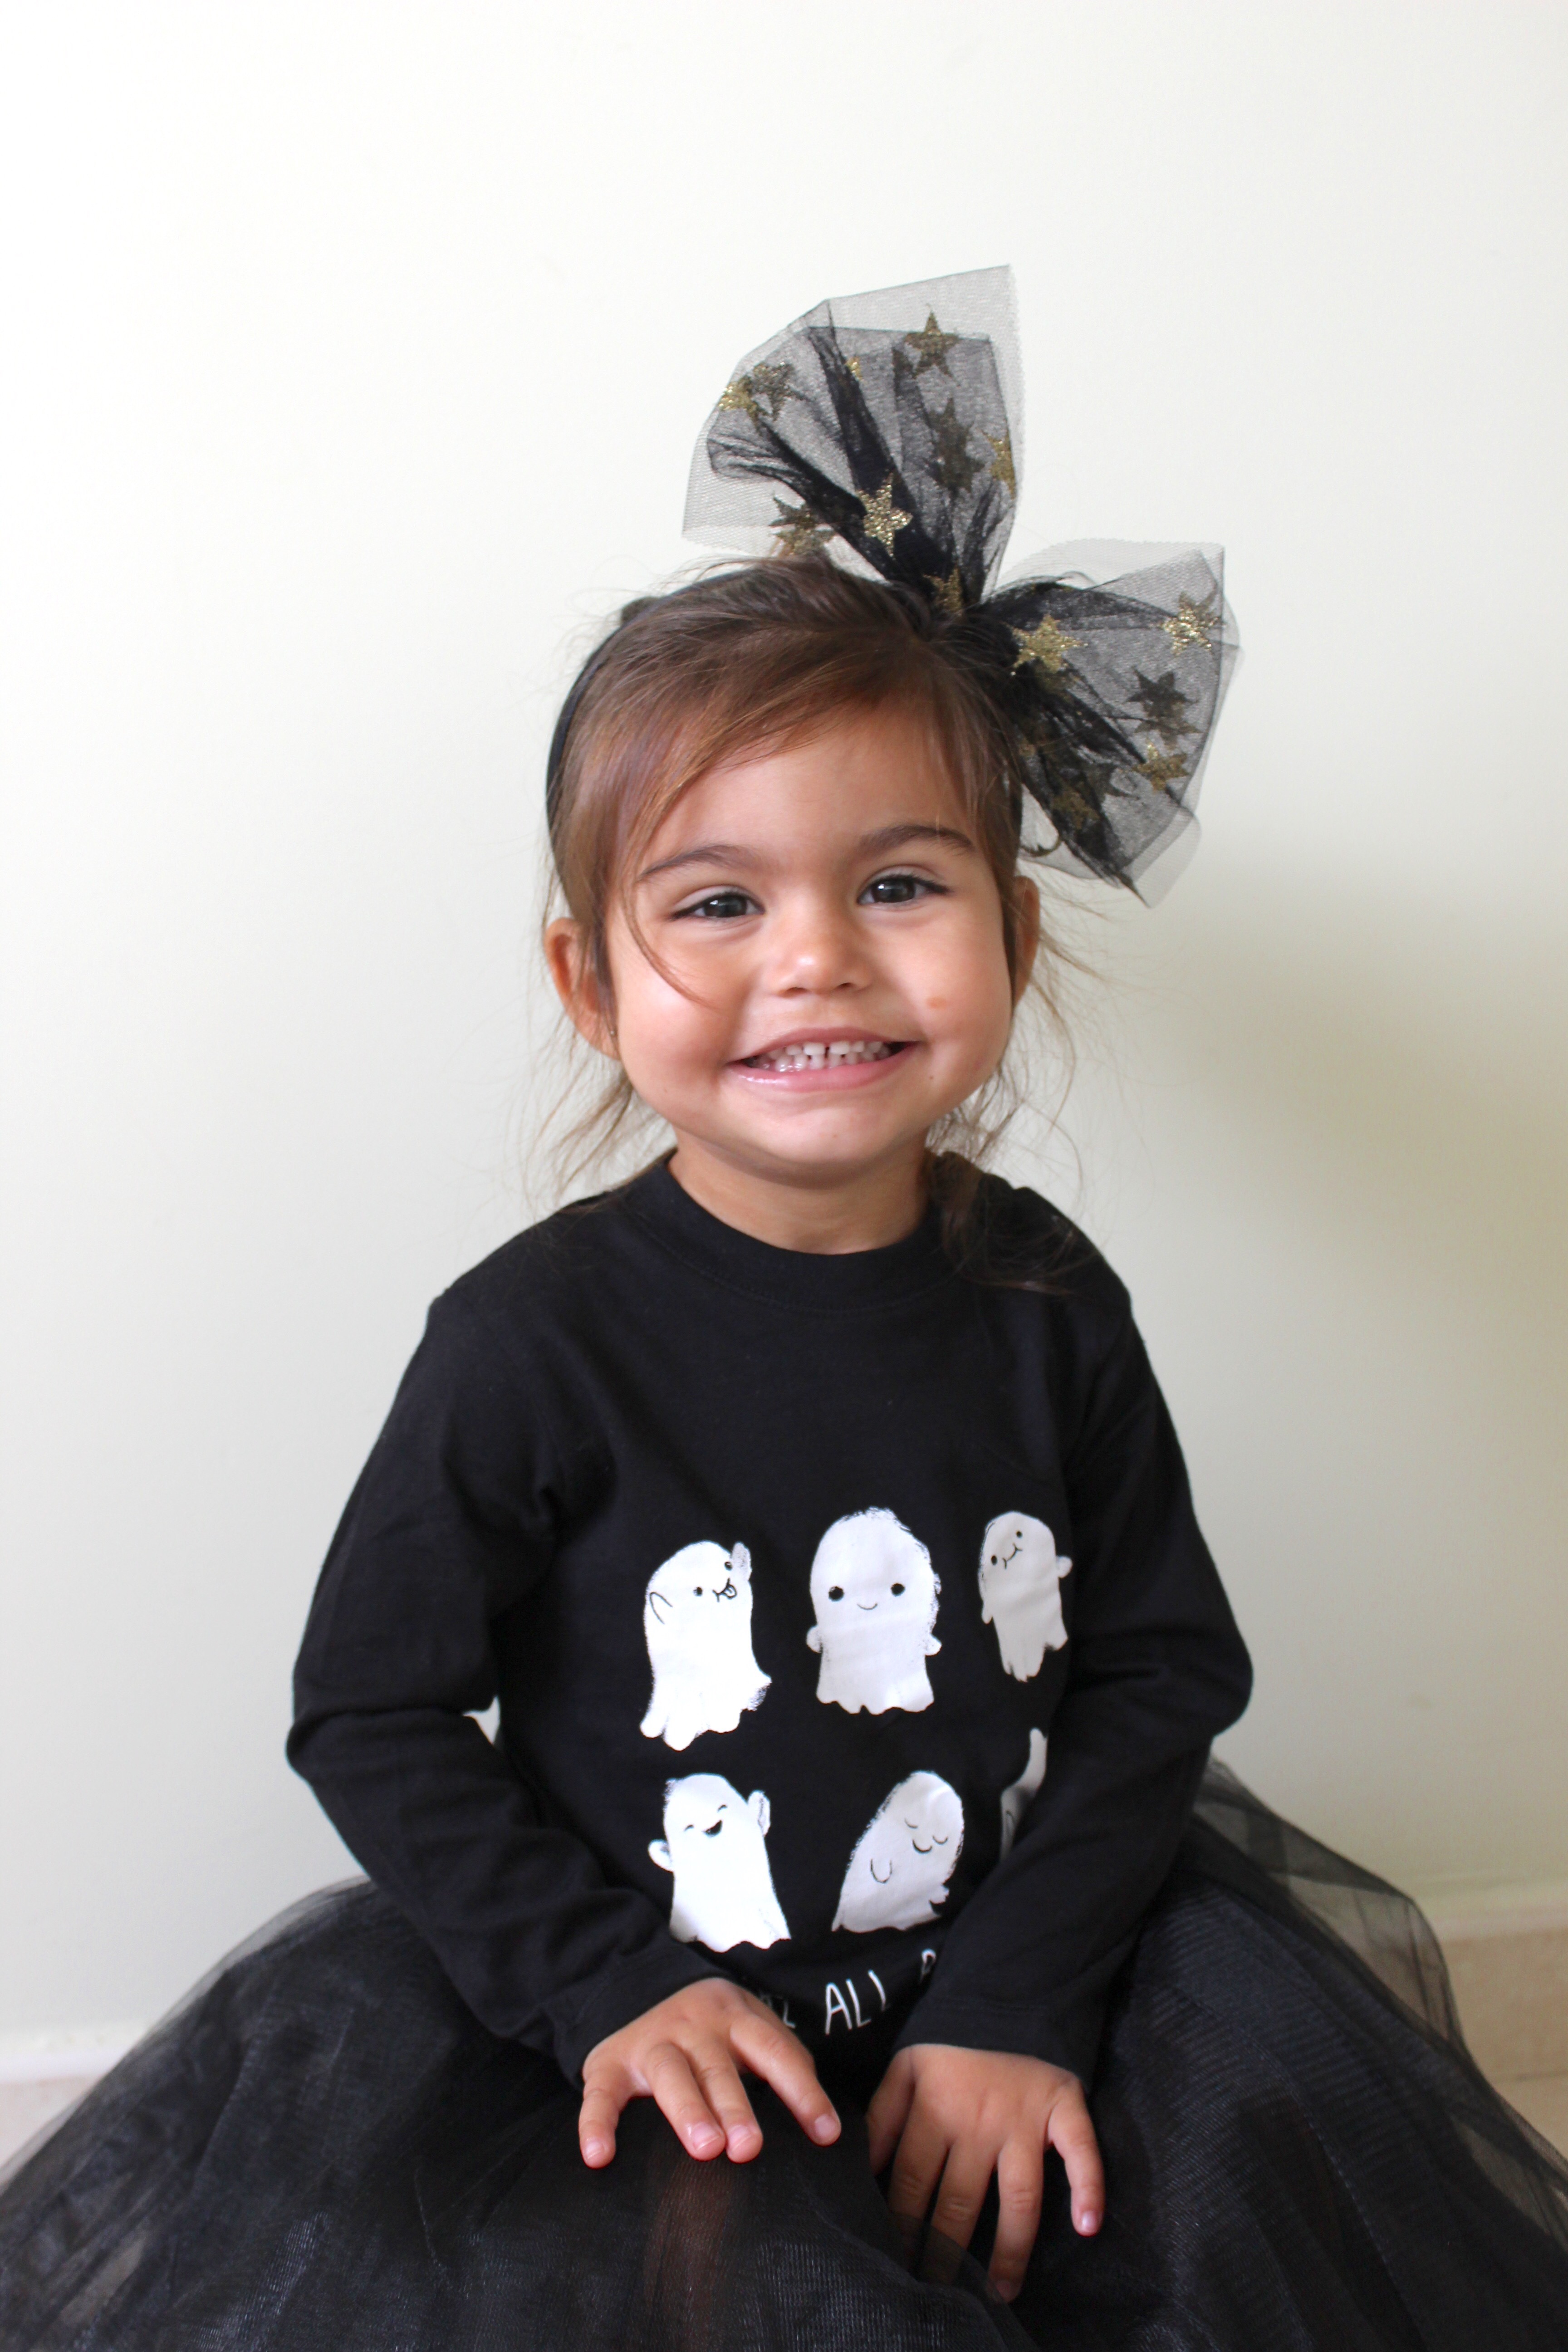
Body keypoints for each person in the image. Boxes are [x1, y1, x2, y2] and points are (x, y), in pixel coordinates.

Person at [3, 270, 1566, 2352]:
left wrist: (1023, 1995)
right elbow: (371, 1707)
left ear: (1013, 937)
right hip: (659, 2018)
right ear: (593, 983)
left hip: (1008, 1974)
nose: (815, 957)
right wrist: (606, 1989)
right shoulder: (530, 1346)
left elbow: (1159, 1664)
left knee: (1198, 2209)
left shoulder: (1047, 1298)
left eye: (898, 884)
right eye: (721, 901)